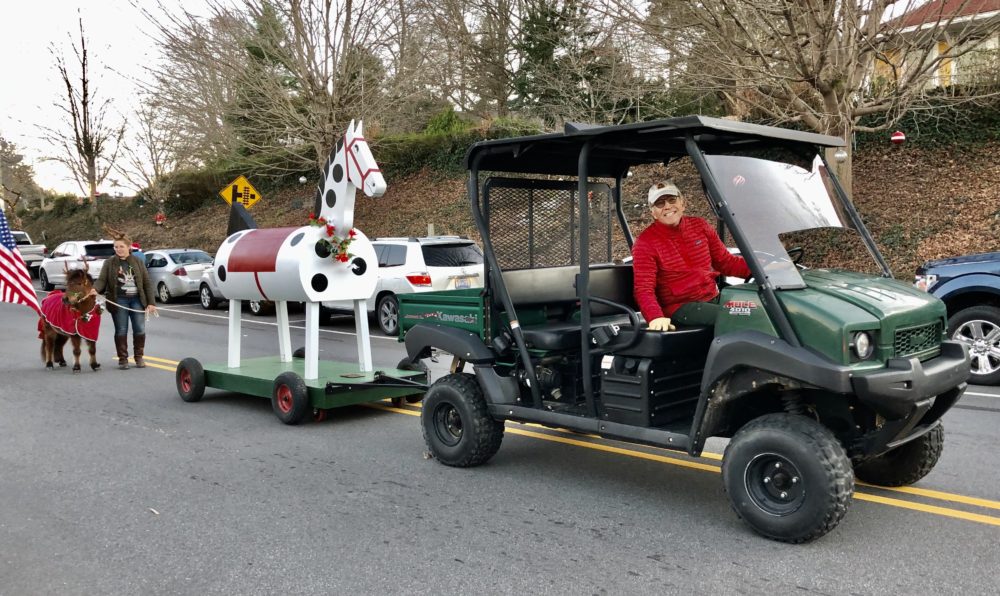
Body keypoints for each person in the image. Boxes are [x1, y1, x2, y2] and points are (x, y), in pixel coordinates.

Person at [632, 181, 750, 331]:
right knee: (741, 318)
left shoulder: (700, 226)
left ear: (683, 203)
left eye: (672, 200)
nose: (667, 206)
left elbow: (726, 262)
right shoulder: (645, 243)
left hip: (712, 297)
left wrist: (763, 270)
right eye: (660, 203)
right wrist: (655, 317)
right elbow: (643, 289)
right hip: (680, 307)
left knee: (760, 308)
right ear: (653, 212)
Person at [91, 232, 157, 369]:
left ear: (129, 247)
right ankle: (123, 359)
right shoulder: (109, 263)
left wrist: (151, 303)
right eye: (115, 247)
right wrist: (95, 289)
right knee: (121, 329)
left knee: (139, 329)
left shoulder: (137, 262)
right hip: (118, 299)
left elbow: (147, 282)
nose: (118, 249)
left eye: (121, 246)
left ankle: (139, 357)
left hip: (137, 300)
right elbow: (102, 280)